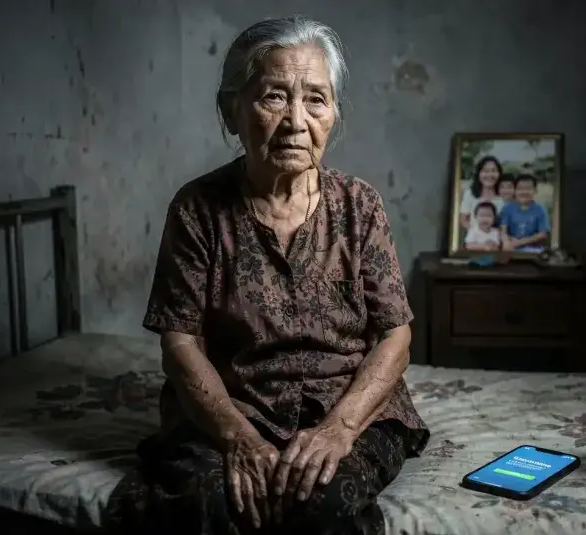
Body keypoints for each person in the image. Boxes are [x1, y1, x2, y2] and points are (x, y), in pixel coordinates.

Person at [105, 16, 429, 535]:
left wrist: (338, 431)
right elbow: (180, 342)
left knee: (318, 502)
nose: (297, 120)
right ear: (232, 111)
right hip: (237, 407)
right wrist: (238, 437)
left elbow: (396, 334)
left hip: (343, 405)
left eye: (316, 99)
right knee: (216, 502)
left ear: (334, 114)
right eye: (274, 97)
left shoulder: (359, 205)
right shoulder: (197, 209)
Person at [499, 174, 551, 253]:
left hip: (533, 249)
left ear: (535, 190)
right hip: (511, 248)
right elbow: (503, 231)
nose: (524, 192)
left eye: (528, 188)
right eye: (520, 189)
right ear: (515, 191)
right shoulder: (507, 208)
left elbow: (543, 234)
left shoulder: (540, 209)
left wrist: (520, 242)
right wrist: (506, 242)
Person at [458, 156, 506, 231]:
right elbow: (463, 220)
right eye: (485, 171)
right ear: (479, 174)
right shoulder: (470, 193)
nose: (490, 175)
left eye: (493, 171)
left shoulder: (504, 194)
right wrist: (479, 232)